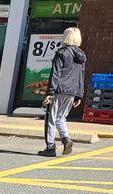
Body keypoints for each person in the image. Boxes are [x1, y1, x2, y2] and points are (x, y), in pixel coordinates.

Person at [40, 27, 86, 157]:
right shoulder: (81, 56)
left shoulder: (61, 53)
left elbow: (55, 74)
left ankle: (50, 147)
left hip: (59, 90)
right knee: (61, 118)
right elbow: (81, 76)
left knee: (51, 119)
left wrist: (50, 92)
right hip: (72, 92)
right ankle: (66, 139)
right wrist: (78, 95)